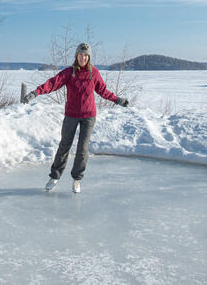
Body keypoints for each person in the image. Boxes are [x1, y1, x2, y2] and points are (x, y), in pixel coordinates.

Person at [22, 43, 129, 193]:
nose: (83, 57)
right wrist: (36, 92)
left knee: (82, 149)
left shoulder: (94, 73)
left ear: (89, 57)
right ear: (76, 56)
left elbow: (103, 91)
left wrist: (118, 100)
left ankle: (77, 179)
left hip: (88, 116)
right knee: (64, 145)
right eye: (80, 54)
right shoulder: (69, 73)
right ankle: (55, 176)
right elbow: (53, 83)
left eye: (86, 55)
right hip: (71, 115)